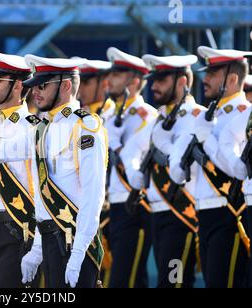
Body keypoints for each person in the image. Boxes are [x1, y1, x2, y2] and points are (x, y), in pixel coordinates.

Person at [0, 55, 107, 288]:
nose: (35, 92)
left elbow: (93, 197)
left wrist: (79, 251)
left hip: (74, 241)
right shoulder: (42, 130)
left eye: (43, 85)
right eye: (34, 85)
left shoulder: (85, 128)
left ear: (65, 86)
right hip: (50, 241)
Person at [169, 46, 252, 288]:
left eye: (213, 74)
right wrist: (176, 162)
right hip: (204, 213)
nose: (205, 79)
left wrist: (208, 140)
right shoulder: (205, 115)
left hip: (230, 213)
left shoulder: (246, 115)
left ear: (233, 79)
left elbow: (239, 169)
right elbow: (180, 167)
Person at [135, 54, 201, 287]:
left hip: (182, 214)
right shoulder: (158, 118)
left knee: (173, 283)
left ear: (182, 81)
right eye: (154, 79)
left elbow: (182, 164)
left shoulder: (197, 116)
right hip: (158, 212)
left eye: (161, 80)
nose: (154, 86)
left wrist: (164, 144)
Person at [103, 47, 156, 288]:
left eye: (117, 74)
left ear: (134, 81)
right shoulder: (109, 115)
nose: (109, 79)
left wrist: (111, 141)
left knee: (128, 278)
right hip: (112, 204)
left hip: (134, 206)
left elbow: (131, 158)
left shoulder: (147, 116)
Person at [76, 58, 115, 122]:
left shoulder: (114, 114)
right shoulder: (78, 111)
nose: (80, 88)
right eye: (80, 83)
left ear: (105, 84)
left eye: (86, 83)